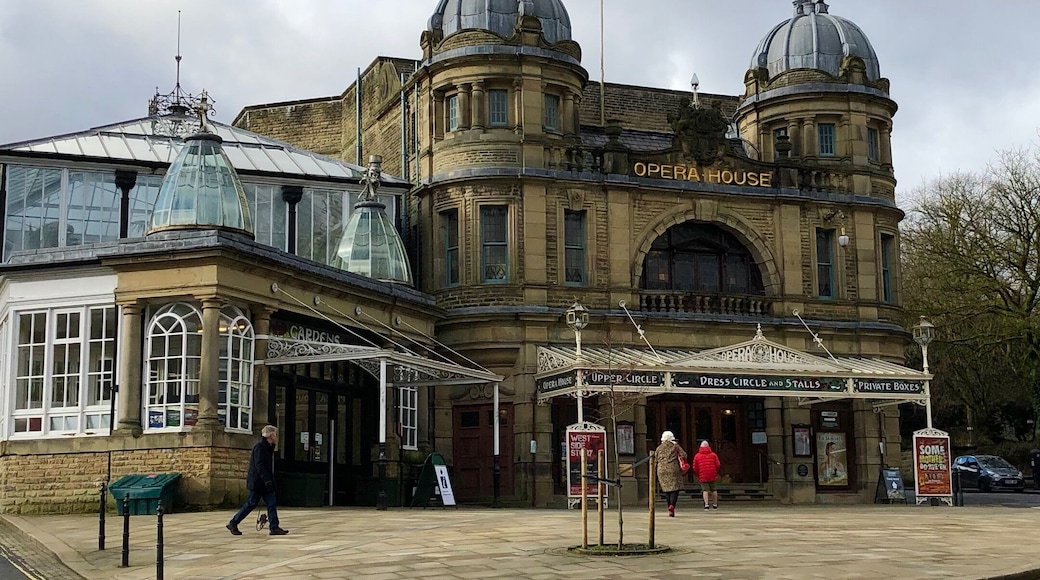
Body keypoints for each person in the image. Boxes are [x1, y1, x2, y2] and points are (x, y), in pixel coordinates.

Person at [227, 425, 289, 536]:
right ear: (270, 435)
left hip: (264, 483)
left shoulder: (268, 447)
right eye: (275, 434)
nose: (276, 436)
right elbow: (260, 466)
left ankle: (274, 527)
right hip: (258, 482)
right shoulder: (260, 447)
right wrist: (267, 480)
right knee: (251, 504)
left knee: (271, 503)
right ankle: (233, 522)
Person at [654, 430, 687, 517]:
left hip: (661, 470)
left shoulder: (659, 448)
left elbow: (655, 459)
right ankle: (672, 505)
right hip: (673, 469)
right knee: (674, 489)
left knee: (666, 489)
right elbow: (684, 455)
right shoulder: (675, 446)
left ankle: (669, 506)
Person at [692, 440, 721, 510]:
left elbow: (694, 467)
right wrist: (715, 472)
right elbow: (718, 465)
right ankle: (715, 504)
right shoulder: (713, 455)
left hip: (703, 475)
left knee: (705, 490)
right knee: (714, 489)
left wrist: (697, 474)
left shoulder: (697, 456)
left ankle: (706, 504)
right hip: (712, 474)